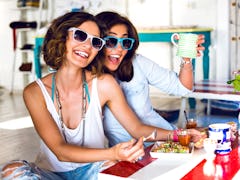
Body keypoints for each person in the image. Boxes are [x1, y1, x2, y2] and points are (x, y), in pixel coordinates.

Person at [0, 11, 202, 180]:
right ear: (62, 37)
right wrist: (113, 152)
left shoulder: (105, 84)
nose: (88, 46)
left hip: (94, 168)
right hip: (52, 172)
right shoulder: (34, 92)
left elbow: (137, 128)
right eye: (80, 36)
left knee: (113, 166)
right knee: (11, 170)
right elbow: (60, 150)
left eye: (95, 42)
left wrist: (179, 135)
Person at [95, 11, 205, 147]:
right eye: (111, 41)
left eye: (125, 42)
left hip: (167, 142)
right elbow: (136, 129)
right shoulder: (92, 81)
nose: (119, 49)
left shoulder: (137, 63)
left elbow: (183, 88)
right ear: (97, 42)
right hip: (132, 155)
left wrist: (186, 59)